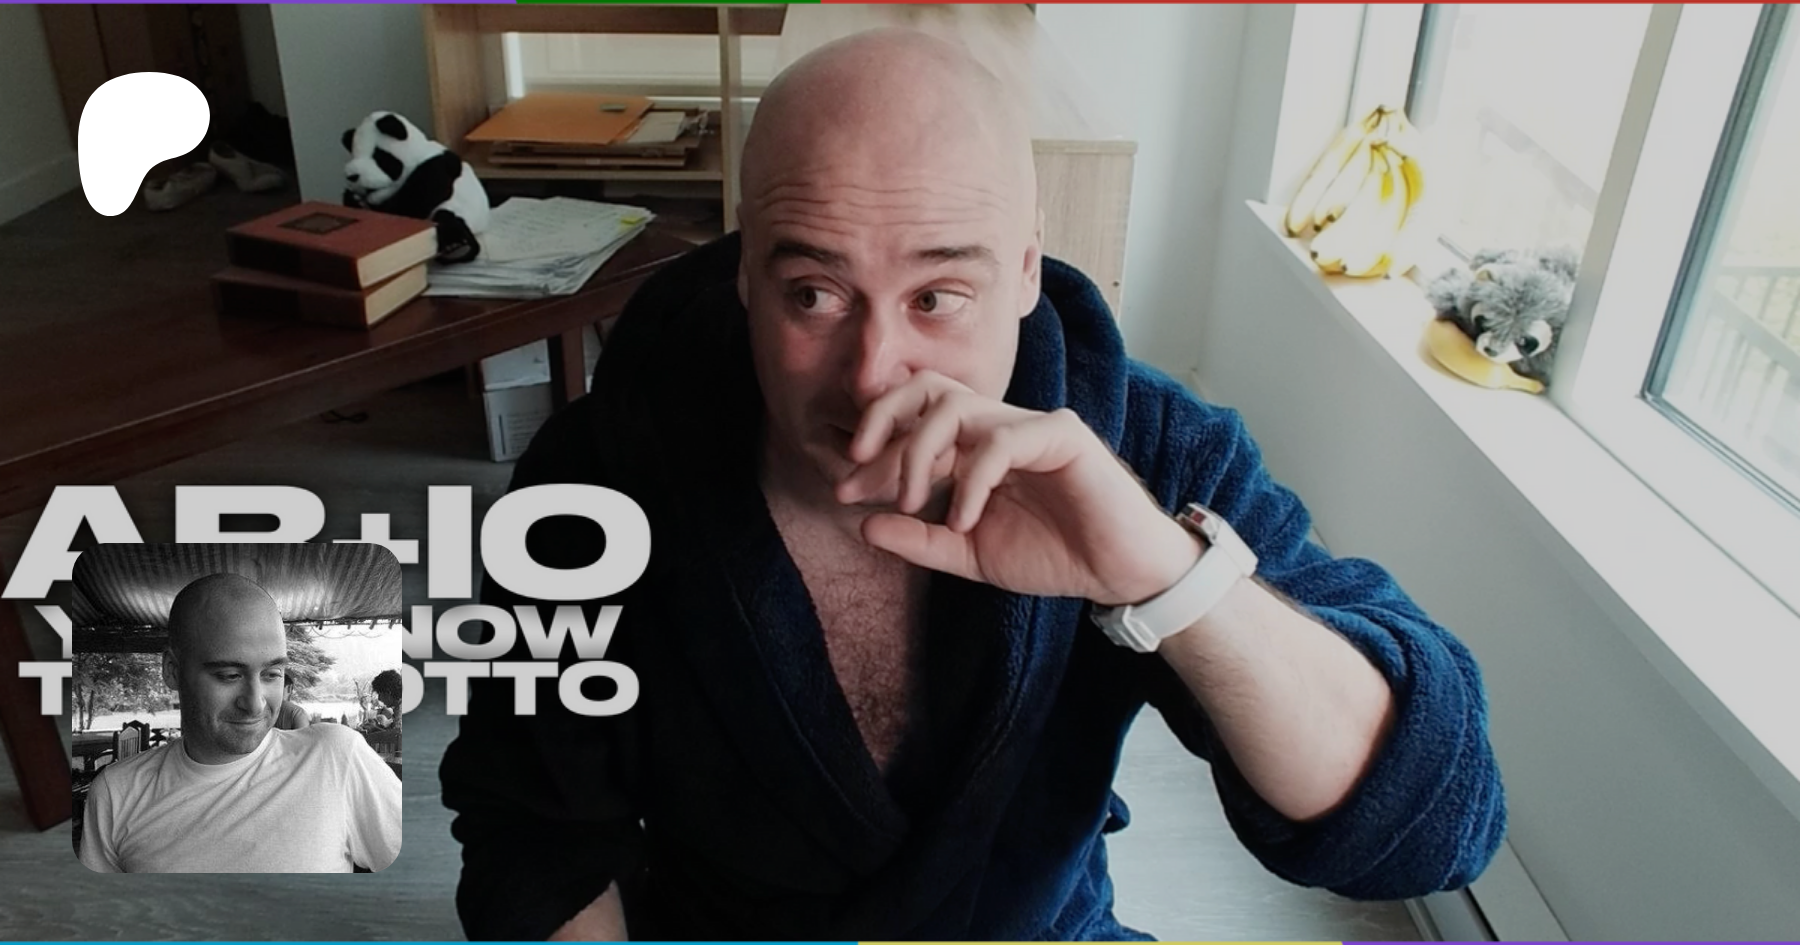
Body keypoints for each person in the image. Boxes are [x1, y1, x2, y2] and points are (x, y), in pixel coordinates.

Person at [441, 29, 1505, 941]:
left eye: (938, 296)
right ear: (747, 270)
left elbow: (1429, 826)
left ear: (1028, 269)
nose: (873, 375)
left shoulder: (1150, 452)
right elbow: (533, 831)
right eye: (813, 293)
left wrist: (1163, 577)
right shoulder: (589, 482)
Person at [79, 573, 402, 873]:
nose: (256, 703)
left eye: (272, 674)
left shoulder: (336, 757)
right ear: (173, 671)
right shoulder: (117, 791)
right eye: (229, 675)